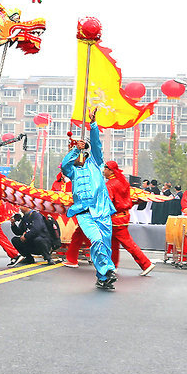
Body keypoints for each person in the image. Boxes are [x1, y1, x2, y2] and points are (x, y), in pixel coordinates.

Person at [61, 109, 117, 290]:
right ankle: (108, 270)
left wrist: (93, 125)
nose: (79, 156)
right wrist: (74, 149)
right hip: (84, 213)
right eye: (76, 153)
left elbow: (96, 145)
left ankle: (103, 277)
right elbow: (64, 165)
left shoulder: (96, 163)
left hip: (102, 210)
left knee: (105, 245)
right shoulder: (72, 171)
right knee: (97, 240)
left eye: (81, 152)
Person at [105, 160, 154, 276]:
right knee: (113, 243)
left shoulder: (110, 185)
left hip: (115, 218)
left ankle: (145, 264)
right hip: (124, 216)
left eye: (105, 168)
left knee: (127, 243)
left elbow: (108, 203)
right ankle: (112, 266)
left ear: (110, 170)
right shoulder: (123, 182)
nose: (104, 171)